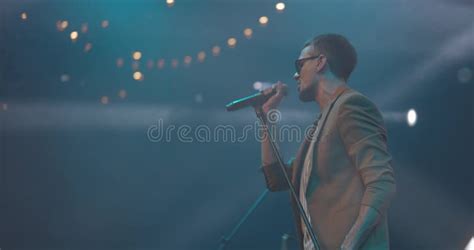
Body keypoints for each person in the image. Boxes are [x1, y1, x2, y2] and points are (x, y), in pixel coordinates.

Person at [259, 34, 396, 250]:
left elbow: (381, 183)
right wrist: (267, 115)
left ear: (321, 62)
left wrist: (350, 243)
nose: (295, 75)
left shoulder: (352, 105)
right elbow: (277, 178)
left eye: (300, 64)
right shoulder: (320, 126)